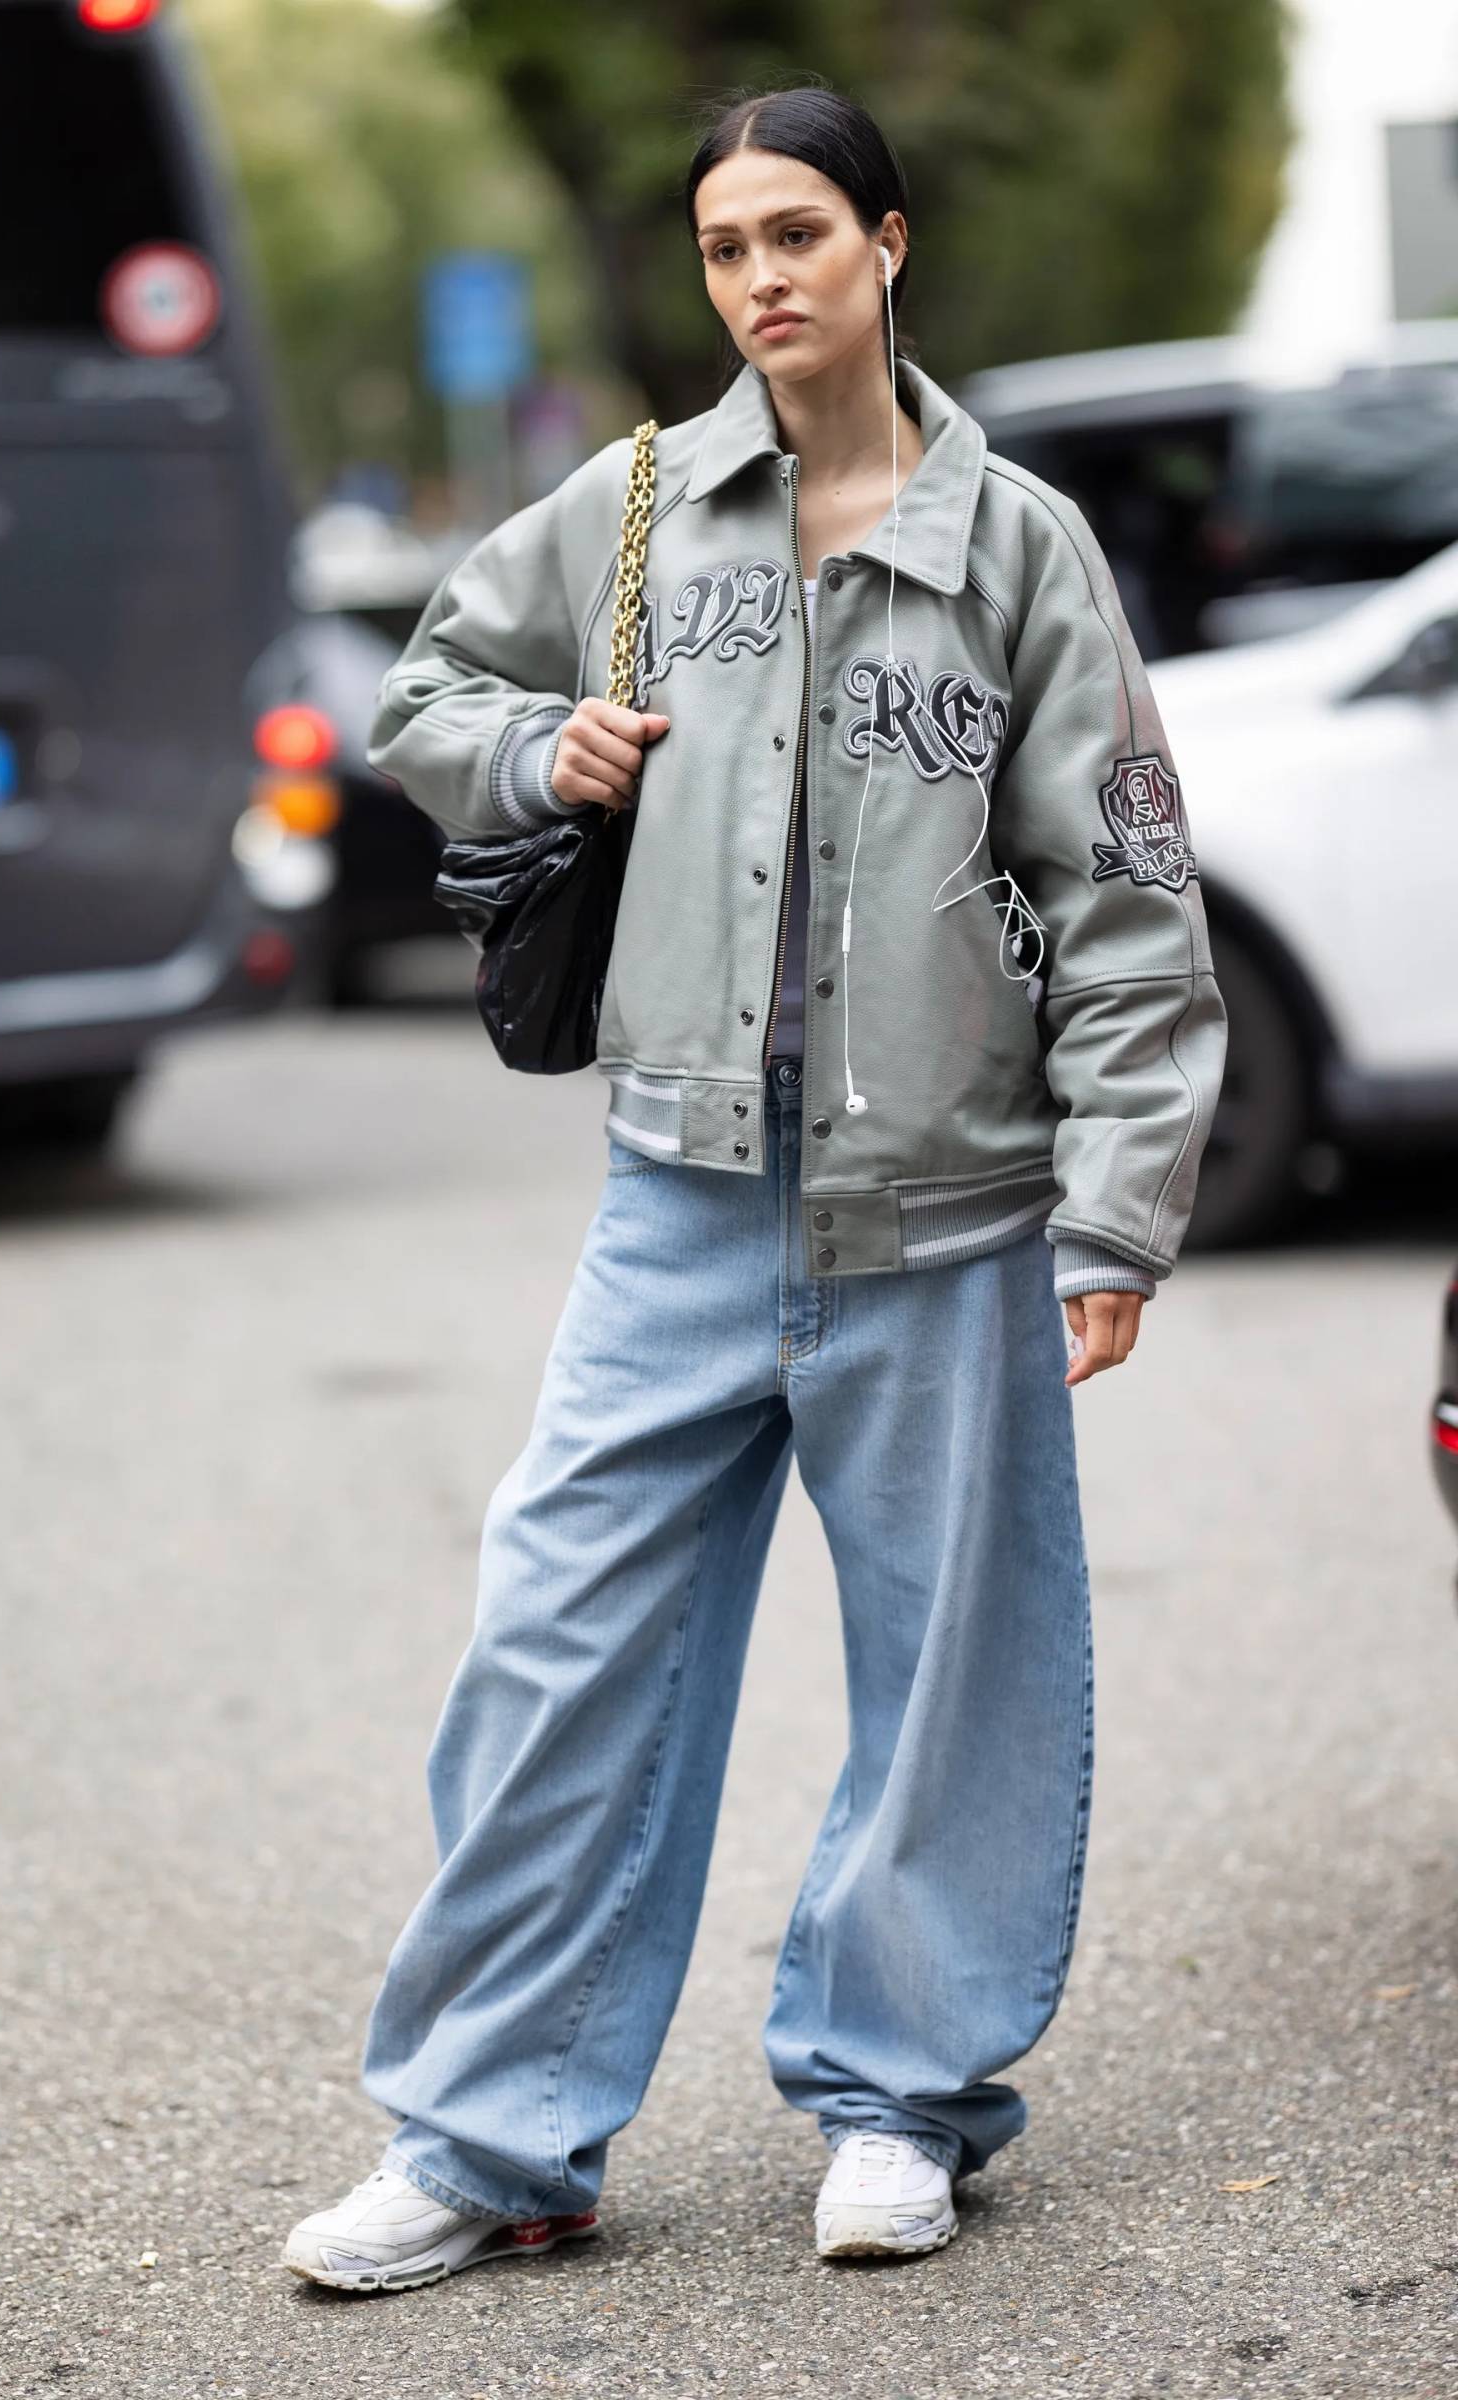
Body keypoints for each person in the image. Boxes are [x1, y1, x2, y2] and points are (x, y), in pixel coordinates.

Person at [283, 81, 1226, 2295]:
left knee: (953, 1676)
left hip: (947, 1215)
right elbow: (430, 684)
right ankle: (488, 2136)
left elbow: (1122, 899)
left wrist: (1114, 1206)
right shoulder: (638, 507)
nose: (757, 277)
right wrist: (544, 748)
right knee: (552, 1647)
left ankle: (901, 2100)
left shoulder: (1017, 550)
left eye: (794, 230)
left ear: (884, 242)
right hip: (676, 1202)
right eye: (722, 247)